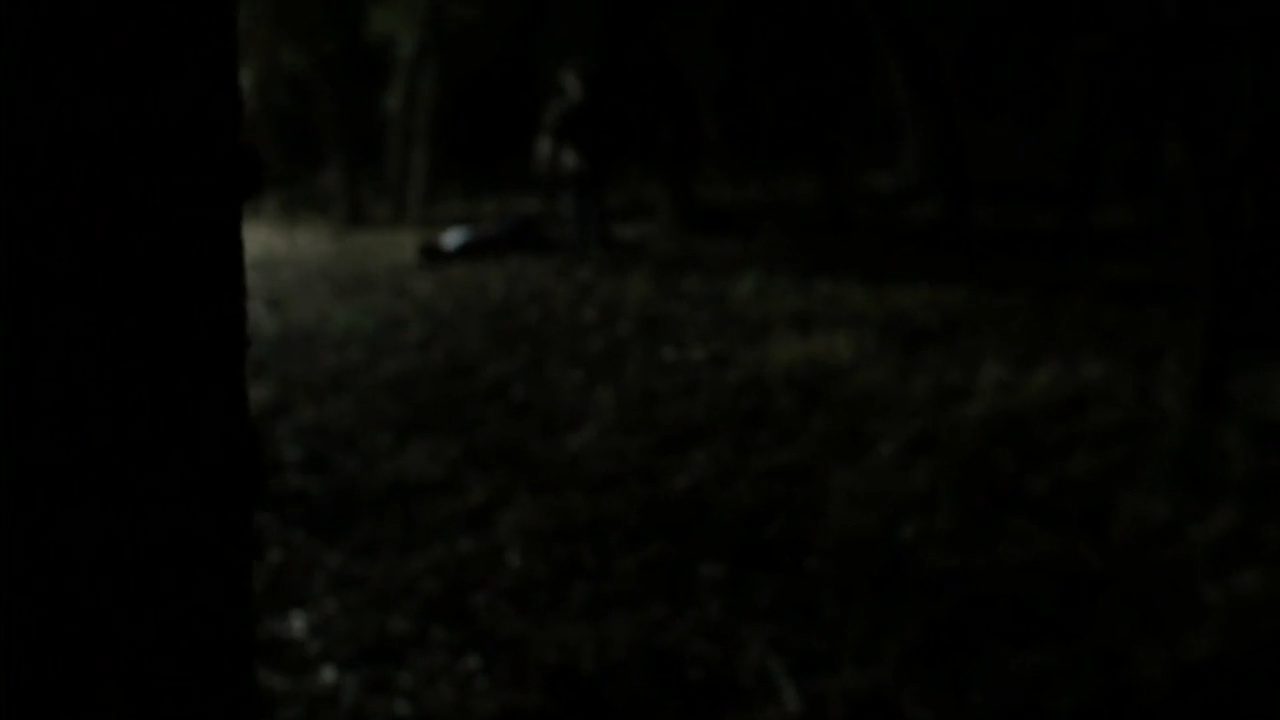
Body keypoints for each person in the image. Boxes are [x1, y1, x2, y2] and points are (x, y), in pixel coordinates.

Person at [532, 60, 612, 251]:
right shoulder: (560, 110)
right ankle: (576, 241)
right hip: (568, 167)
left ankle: (594, 240)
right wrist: (552, 162)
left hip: (588, 165)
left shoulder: (592, 109)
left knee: (592, 202)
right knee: (573, 204)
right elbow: (549, 139)